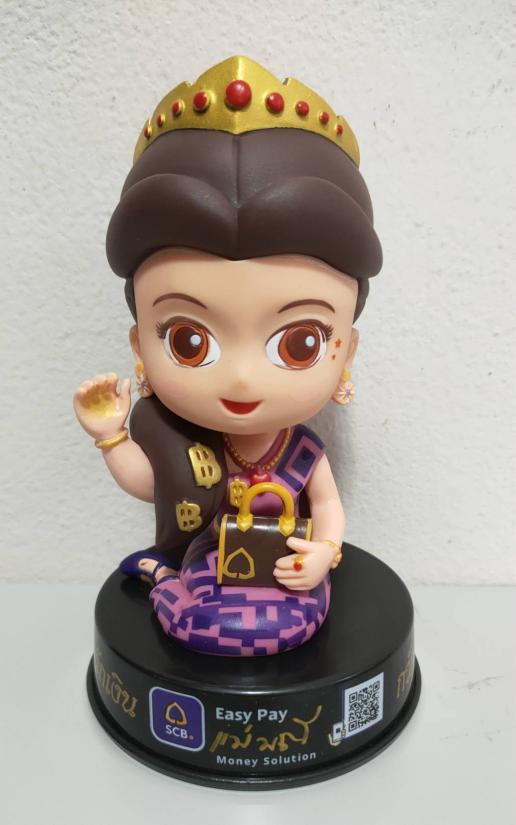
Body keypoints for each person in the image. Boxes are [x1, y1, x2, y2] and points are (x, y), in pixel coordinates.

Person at [73, 56, 382, 656]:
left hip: (284, 574)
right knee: (201, 618)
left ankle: (165, 581)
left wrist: (323, 553)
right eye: (189, 341)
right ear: (141, 346)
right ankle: (166, 580)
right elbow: (149, 483)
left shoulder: (301, 453)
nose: (241, 377)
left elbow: (327, 508)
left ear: (345, 350)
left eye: (299, 343)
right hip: (208, 567)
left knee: (288, 619)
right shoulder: (191, 448)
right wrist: (110, 436)